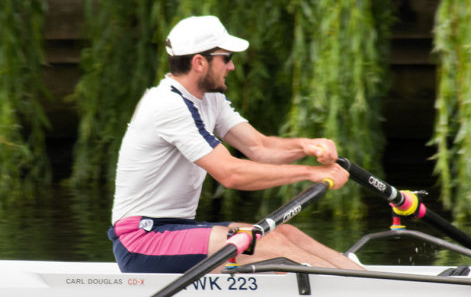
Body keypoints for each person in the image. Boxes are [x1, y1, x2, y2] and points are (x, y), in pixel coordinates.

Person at [108, 15, 362, 273]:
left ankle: (366, 282)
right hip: (142, 239)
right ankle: (359, 295)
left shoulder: (210, 99)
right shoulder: (166, 104)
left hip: (178, 228)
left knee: (286, 233)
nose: (231, 67)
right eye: (226, 58)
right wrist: (311, 172)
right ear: (199, 62)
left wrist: (307, 146)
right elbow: (231, 173)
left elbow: (259, 147)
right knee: (273, 245)